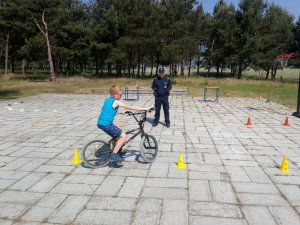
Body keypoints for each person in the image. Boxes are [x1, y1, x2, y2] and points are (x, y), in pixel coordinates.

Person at [97, 85, 151, 161]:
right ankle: (114, 154)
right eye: (120, 95)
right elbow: (130, 107)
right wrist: (145, 108)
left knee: (115, 137)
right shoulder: (116, 102)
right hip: (107, 124)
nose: (121, 96)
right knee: (123, 135)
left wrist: (118, 112)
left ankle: (118, 150)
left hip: (100, 123)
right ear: (114, 94)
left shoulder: (107, 100)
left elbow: (106, 111)